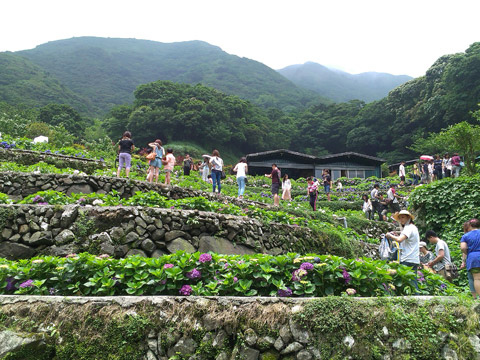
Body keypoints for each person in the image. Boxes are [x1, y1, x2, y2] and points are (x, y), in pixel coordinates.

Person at [386, 210, 420, 290]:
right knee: (413, 281)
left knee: (406, 283)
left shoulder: (408, 228)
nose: (401, 220)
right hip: (414, 259)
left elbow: (400, 240)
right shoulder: (413, 228)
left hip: (407, 258)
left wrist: (390, 235)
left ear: (408, 218)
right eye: (400, 218)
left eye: (403, 217)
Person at [460, 219, 480, 298]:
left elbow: (463, 248)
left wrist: (467, 253)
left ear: (470, 225)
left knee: (477, 278)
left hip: (473, 257)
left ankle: (478, 298)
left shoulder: (466, 236)